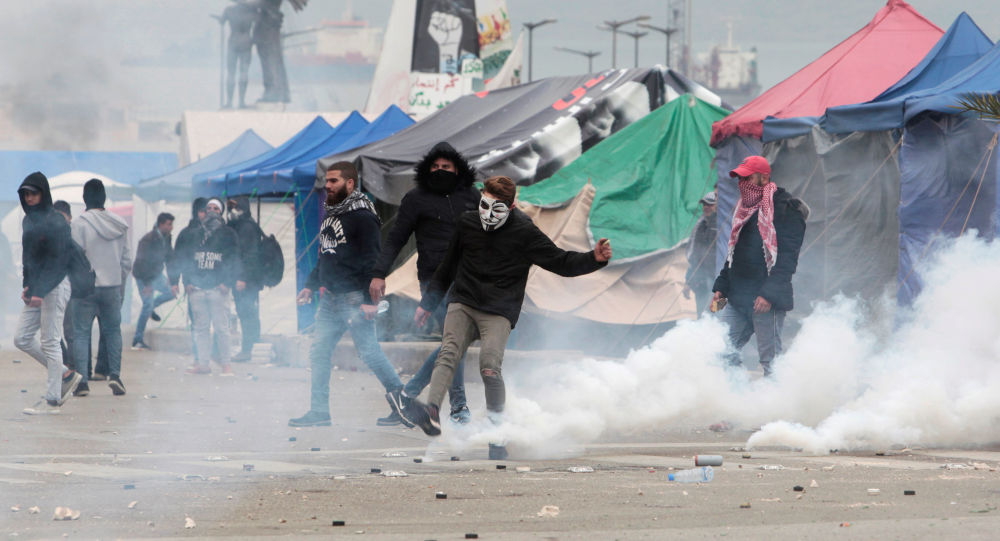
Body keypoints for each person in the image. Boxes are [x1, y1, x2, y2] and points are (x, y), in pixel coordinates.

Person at [402, 176, 613, 458]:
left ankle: (496, 432)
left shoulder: (524, 231)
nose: (488, 215)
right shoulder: (467, 223)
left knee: (490, 367)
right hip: (463, 300)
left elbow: (560, 261)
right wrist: (427, 304)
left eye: (497, 209)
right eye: (484, 205)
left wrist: (594, 259)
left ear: (512, 207)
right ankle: (431, 412)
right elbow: (448, 266)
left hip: (499, 308)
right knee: (448, 353)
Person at [288, 162, 407, 428]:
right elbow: (326, 255)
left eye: (334, 181)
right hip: (330, 299)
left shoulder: (363, 216)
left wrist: (368, 300)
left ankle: (403, 404)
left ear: (350, 183)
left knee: (370, 352)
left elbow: (372, 260)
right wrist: (310, 285)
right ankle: (319, 412)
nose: (327, 186)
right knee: (319, 352)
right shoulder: (332, 214)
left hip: (354, 297)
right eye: (326, 181)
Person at [369, 141, 480, 426]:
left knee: (454, 342)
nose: (440, 170)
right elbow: (396, 238)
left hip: (469, 278)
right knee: (454, 341)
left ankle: (408, 398)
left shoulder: (472, 196)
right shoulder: (416, 198)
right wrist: (379, 273)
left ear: (458, 168)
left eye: (446, 166)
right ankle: (456, 407)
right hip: (434, 281)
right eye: (435, 166)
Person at [711, 156, 808, 377]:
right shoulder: (744, 208)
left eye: (747, 178)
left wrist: (768, 294)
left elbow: (787, 260)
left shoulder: (786, 209)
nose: (742, 183)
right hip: (737, 297)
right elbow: (733, 254)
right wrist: (722, 287)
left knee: (771, 361)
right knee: (722, 352)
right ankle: (735, 393)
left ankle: (776, 397)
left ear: (764, 178)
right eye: (740, 178)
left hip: (766, 300)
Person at [14, 173, 82, 414]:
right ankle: (65, 374)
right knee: (22, 338)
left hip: (57, 284)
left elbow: (58, 262)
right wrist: (27, 286)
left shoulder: (56, 222)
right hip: (37, 287)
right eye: (26, 194)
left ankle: (53, 398)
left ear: (43, 194)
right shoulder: (28, 221)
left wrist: (41, 291)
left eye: (33, 193)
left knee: (50, 340)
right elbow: (28, 258)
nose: (29, 198)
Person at [70, 179, 132, 397]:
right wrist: (118, 280)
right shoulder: (120, 224)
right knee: (113, 331)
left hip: (85, 289)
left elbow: (74, 258)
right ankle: (114, 375)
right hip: (112, 287)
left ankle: (82, 383)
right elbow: (127, 261)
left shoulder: (79, 225)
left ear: (84, 198)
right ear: (104, 198)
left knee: (81, 334)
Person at [178, 199, 239, 376]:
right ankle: (203, 364)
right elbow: (186, 258)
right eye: (209, 208)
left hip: (218, 289)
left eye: (216, 209)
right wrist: (187, 282)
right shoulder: (195, 233)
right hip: (197, 288)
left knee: (222, 329)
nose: (212, 211)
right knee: (201, 329)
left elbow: (234, 259)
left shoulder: (228, 234)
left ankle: (226, 365)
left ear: (221, 212)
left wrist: (227, 282)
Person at [170, 198, 209, 362]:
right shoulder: (186, 234)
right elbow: (178, 258)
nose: (206, 214)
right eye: (203, 211)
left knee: (218, 324)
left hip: (215, 284)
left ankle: (213, 356)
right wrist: (175, 281)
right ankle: (199, 357)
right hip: (194, 284)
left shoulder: (219, 232)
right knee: (198, 323)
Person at [131, 212, 176, 350]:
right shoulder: (148, 239)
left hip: (156, 274)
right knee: (147, 305)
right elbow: (142, 262)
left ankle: (151, 309)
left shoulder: (167, 238)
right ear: (161, 224)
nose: (171, 227)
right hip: (143, 276)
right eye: (169, 224)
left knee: (171, 293)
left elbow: (170, 258)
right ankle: (137, 340)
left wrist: (172, 279)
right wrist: (148, 284)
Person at [227, 195, 263, 362]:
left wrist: (243, 277)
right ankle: (251, 347)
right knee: (246, 312)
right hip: (243, 277)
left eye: (235, 207)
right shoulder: (238, 225)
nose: (232, 210)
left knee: (247, 313)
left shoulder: (247, 227)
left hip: (247, 279)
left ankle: (248, 349)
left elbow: (250, 255)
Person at [684, 191, 718, 315]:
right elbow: (695, 254)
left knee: (714, 314)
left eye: (710, 204)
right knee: (702, 314)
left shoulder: (722, 226)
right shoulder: (701, 224)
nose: (706, 207)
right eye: (704, 204)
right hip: (702, 279)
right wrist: (688, 280)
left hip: (717, 280)